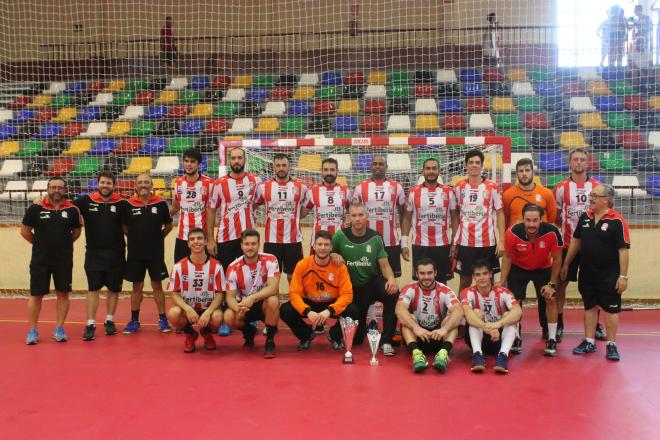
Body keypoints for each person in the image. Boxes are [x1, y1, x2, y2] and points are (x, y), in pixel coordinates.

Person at [563, 185, 630, 361]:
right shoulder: (585, 217)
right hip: (587, 272)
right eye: (590, 194)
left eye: (594, 195)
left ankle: (611, 344)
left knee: (610, 310)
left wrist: (623, 277)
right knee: (589, 306)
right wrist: (566, 264)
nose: (590, 198)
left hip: (610, 275)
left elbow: (623, 251)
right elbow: (576, 242)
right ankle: (589, 341)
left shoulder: (617, 221)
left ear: (606, 199)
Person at [331, 203, 399, 355]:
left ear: (367, 217)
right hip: (351, 289)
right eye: (354, 215)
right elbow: (325, 255)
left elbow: (384, 264)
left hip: (371, 284)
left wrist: (391, 279)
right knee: (357, 341)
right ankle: (334, 333)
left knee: (393, 293)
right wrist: (332, 255)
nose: (357, 219)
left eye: (361, 215)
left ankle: (386, 341)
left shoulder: (375, 237)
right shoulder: (340, 236)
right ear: (349, 218)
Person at [206, 147, 261, 336]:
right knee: (225, 280)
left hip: (247, 239)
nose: (236, 160)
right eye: (233, 158)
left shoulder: (254, 181)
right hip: (225, 238)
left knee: (248, 280)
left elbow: (261, 200)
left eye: (239, 157)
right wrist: (210, 239)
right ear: (229, 160)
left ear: (245, 159)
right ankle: (224, 319)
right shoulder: (219, 183)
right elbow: (211, 210)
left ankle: (249, 318)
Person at [21, 177, 82, 345]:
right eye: (53, 187)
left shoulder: (73, 210)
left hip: (63, 260)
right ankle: (32, 330)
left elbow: (76, 232)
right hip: (40, 260)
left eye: (60, 188)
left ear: (65, 190)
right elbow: (25, 232)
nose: (56, 190)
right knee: (36, 295)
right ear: (48, 188)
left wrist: (62, 245)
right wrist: (40, 245)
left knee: (63, 293)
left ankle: (59, 328)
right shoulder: (36, 208)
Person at [553, 148, 604, 341]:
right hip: (567, 244)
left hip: (592, 247)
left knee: (593, 285)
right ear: (570, 163)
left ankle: (596, 325)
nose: (579, 162)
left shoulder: (598, 187)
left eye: (583, 159)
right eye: (576, 159)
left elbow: (603, 214)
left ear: (588, 163)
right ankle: (558, 323)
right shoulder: (560, 188)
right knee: (561, 284)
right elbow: (557, 217)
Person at [499, 204, 563, 356]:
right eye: (528, 220)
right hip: (519, 268)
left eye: (535, 220)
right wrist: (502, 282)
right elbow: (507, 258)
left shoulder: (553, 232)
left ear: (541, 220)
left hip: (543, 268)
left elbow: (558, 259)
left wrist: (552, 284)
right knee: (514, 300)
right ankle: (516, 336)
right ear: (523, 220)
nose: (531, 224)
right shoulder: (513, 232)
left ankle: (552, 338)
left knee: (551, 299)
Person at [280, 230, 360, 351]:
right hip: (309, 302)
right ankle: (306, 335)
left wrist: (329, 311)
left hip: (331, 303)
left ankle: (334, 336)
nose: (323, 248)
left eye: (326, 245)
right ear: (314, 246)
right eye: (320, 244)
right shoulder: (302, 265)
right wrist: (307, 311)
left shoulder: (340, 266)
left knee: (353, 311)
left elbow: (347, 295)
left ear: (331, 247)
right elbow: (294, 293)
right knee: (285, 310)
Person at [352, 155, 405, 329]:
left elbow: (403, 212)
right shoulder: (360, 188)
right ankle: (373, 319)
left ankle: (391, 322)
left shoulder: (396, 187)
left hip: (390, 242)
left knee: (391, 281)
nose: (377, 167)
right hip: (367, 243)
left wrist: (404, 241)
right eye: (374, 164)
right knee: (368, 280)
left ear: (386, 166)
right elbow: (355, 214)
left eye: (380, 164)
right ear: (370, 167)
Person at [73, 171, 127, 341]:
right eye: (102, 182)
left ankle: (109, 320)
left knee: (113, 289)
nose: (105, 186)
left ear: (114, 185)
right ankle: (90, 324)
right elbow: (64, 206)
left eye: (108, 183)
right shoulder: (85, 201)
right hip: (94, 253)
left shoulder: (122, 203)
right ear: (98, 184)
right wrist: (39, 200)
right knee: (93, 289)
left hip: (116, 253)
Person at [122, 173, 173, 334]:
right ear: (135, 186)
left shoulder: (161, 204)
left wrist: (158, 238)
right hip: (135, 254)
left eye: (146, 182)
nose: (143, 185)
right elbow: (124, 227)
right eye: (140, 182)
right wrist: (135, 238)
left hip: (155, 254)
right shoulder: (128, 205)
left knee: (157, 286)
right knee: (137, 287)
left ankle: (163, 320)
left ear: (151, 185)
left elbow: (169, 225)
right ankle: (134, 320)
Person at [396, 258, 463, 373]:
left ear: (435, 273)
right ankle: (417, 355)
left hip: (438, 336)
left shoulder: (445, 290)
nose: (426, 277)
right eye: (422, 273)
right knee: (408, 319)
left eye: (429, 273)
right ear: (416, 274)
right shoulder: (409, 289)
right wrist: (416, 328)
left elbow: (459, 311)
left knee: (452, 320)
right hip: (418, 337)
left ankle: (443, 354)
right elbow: (399, 309)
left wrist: (444, 329)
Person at [453, 149, 505, 292]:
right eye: (471, 162)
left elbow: (500, 212)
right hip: (465, 243)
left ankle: (491, 312)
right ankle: (462, 311)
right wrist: (454, 241)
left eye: (477, 163)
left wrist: (501, 241)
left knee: (489, 279)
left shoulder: (492, 187)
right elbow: (456, 215)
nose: (474, 165)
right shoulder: (458, 187)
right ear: (465, 165)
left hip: (487, 243)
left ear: (482, 166)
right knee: (465, 280)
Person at [224, 229, 281, 358]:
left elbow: (272, 288)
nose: (250, 247)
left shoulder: (271, 260)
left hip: (263, 304)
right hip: (244, 306)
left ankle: (270, 341)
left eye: (253, 244)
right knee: (228, 316)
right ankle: (249, 332)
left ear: (258, 244)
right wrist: (238, 308)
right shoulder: (232, 267)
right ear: (241, 246)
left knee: (273, 300)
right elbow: (230, 297)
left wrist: (252, 298)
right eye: (247, 244)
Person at [400, 157, 458, 284]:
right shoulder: (413, 192)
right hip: (420, 244)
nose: (431, 171)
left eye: (434, 168)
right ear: (422, 171)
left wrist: (455, 242)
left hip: (443, 244)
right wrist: (404, 243)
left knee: (442, 282)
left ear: (439, 171)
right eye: (428, 168)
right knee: (422, 281)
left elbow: (454, 218)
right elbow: (406, 218)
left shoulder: (449, 192)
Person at [166, 228, 225, 353]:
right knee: (173, 313)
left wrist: (208, 312)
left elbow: (220, 294)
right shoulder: (179, 267)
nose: (196, 242)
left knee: (218, 316)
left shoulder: (217, 266)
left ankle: (206, 332)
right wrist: (187, 309)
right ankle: (190, 334)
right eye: (192, 239)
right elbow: (175, 294)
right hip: (188, 309)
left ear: (205, 242)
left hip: (207, 308)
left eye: (199, 238)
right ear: (188, 244)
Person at [254, 153, 309, 283]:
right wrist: (254, 216)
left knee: (293, 276)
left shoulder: (301, 187)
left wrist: (295, 216)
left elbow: (307, 207)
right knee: (273, 276)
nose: (281, 168)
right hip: (271, 240)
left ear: (289, 166)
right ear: (273, 167)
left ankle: (294, 302)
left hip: (293, 240)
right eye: (278, 165)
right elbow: (254, 205)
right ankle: (274, 302)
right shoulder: (263, 187)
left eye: (284, 165)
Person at [461, 260, 522, 374]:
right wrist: (487, 328)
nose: (482, 277)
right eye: (478, 275)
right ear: (473, 277)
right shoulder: (467, 292)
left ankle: (502, 356)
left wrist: (497, 325)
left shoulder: (504, 292)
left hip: (499, 339)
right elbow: (468, 315)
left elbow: (518, 312)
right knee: (476, 312)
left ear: (490, 274)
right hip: (480, 338)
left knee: (509, 315)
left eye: (485, 273)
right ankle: (477, 355)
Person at [169, 149, 214, 264]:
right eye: (186, 161)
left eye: (192, 161)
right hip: (182, 236)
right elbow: (175, 207)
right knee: (181, 270)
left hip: (201, 236)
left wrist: (210, 239)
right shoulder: (178, 182)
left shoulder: (209, 183)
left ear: (199, 164)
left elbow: (211, 211)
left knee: (204, 271)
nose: (189, 164)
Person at [303, 157, 351, 247]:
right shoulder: (313, 190)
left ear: (337, 171)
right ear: (322, 172)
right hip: (319, 242)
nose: (329, 173)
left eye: (332, 170)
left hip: (340, 240)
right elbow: (302, 213)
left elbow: (351, 211)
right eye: (326, 170)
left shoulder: (346, 191)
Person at [502, 158, 557, 228]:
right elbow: (505, 220)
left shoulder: (547, 193)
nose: (524, 173)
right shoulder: (507, 195)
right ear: (516, 174)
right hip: (516, 237)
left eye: (527, 170)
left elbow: (551, 219)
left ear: (533, 173)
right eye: (521, 171)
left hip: (541, 237)